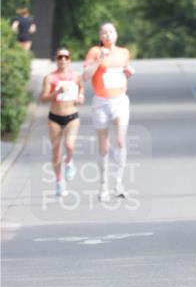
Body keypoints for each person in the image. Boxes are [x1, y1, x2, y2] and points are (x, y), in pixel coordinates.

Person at [82, 22, 134, 202]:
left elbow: (124, 70)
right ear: (100, 36)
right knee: (103, 145)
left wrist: (128, 72)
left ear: (116, 35)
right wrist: (98, 60)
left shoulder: (123, 52)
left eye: (111, 32)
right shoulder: (95, 52)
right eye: (105, 33)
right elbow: (86, 76)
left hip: (119, 99)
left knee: (120, 140)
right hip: (101, 101)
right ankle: (103, 184)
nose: (108, 35)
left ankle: (118, 182)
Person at [40, 47, 85, 198]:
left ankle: (70, 161)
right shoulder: (50, 78)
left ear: (70, 59)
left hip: (72, 116)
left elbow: (81, 91)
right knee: (56, 152)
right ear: (56, 60)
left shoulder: (76, 76)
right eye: (60, 57)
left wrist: (80, 97)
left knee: (70, 145)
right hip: (55, 117)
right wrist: (56, 93)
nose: (63, 60)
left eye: (66, 57)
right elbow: (43, 98)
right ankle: (59, 182)